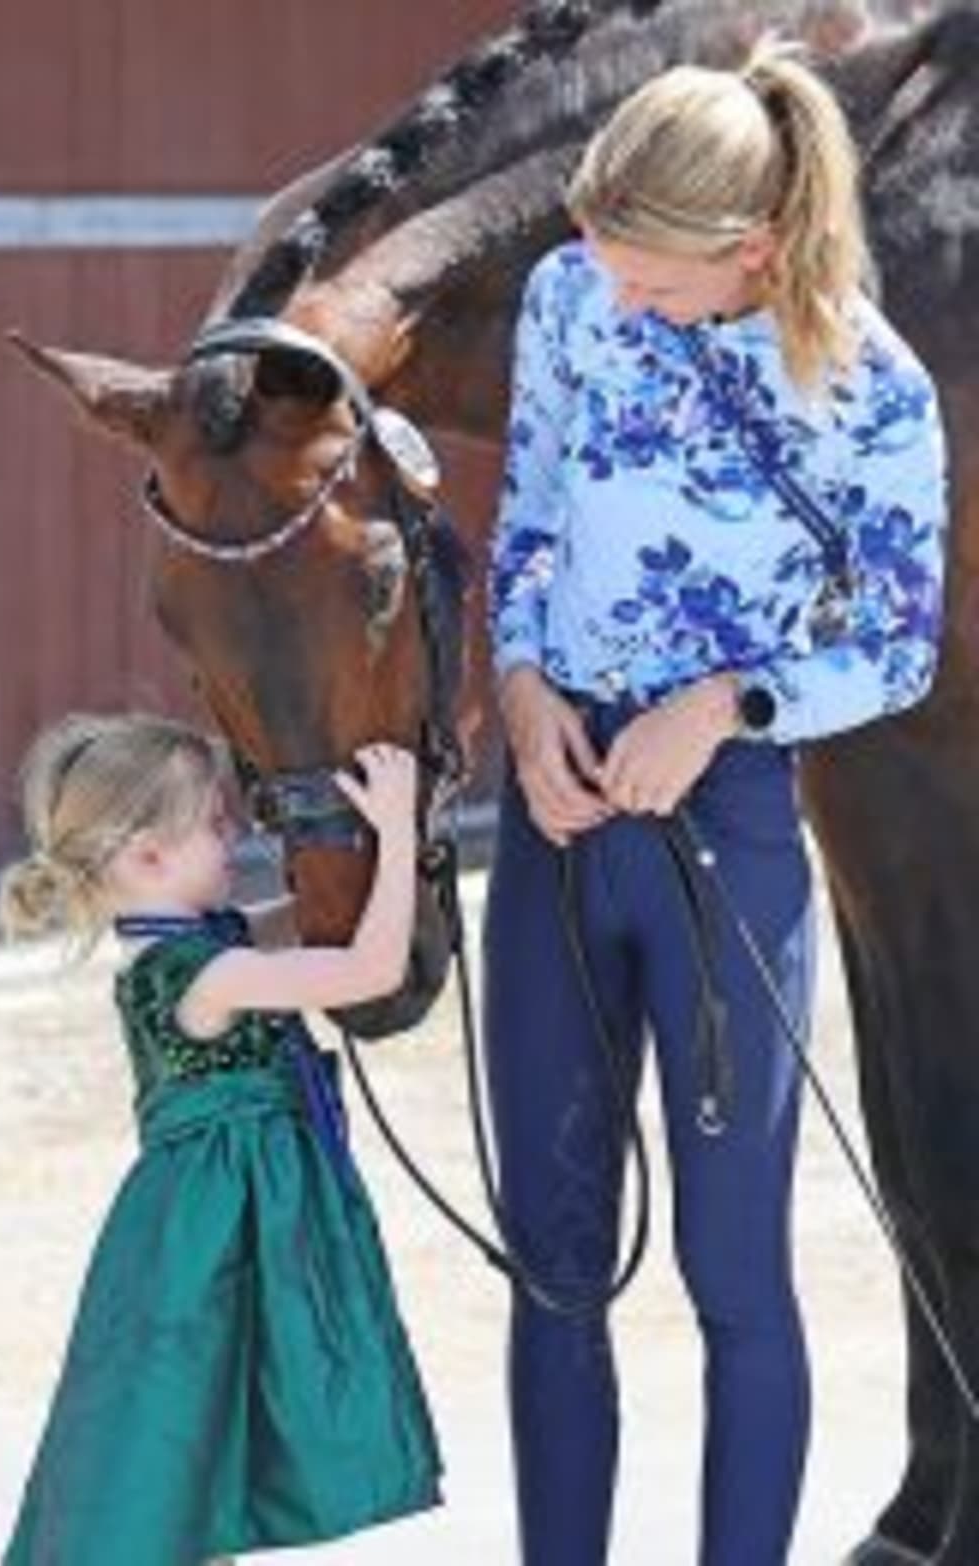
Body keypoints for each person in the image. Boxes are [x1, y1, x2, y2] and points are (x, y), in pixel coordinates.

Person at [485, 37, 947, 1566]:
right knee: (553, 1263)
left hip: (725, 831)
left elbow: (893, 642)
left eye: (652, 278)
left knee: (731, 1265)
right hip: (555, 820)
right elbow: (532, 514)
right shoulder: (571, 301)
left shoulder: (871, 390)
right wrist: (525, 687)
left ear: (752, 248)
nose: (618, 300)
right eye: (603, 264)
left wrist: (730, 703)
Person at [0, 713, 441, 1566]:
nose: (231, 836)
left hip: (223, 1226)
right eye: (212, 822)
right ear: (146, 858)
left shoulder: (205, 948)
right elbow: (367, 969)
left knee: (197, 1433)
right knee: (172, 1439)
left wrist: (354, 858)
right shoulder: (206, 974)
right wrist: (392, 830)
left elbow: (312, 922)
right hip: (216, 1240)